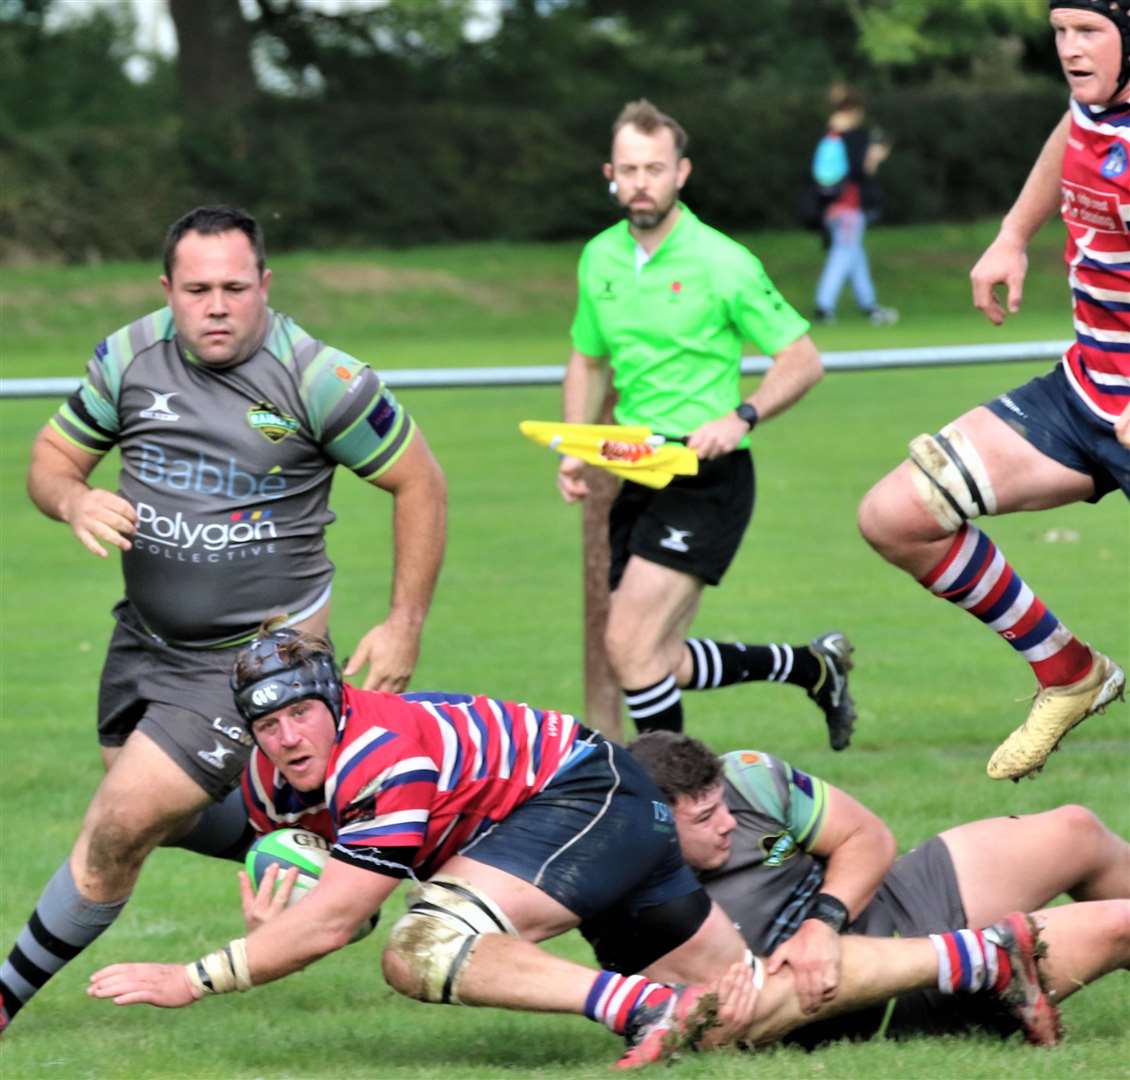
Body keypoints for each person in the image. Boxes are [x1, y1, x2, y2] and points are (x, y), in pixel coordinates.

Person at [88, 625, 1061, 1068]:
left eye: (304, 715)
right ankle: (980, 957)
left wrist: (198, 977)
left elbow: (340, 920)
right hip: (611, 814)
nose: (289, 738)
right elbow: (254, 833)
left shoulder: (384, 759)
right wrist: (238, 855)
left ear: (336, 709)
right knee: (737, 1013)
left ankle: (630, 1006)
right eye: (270, 727)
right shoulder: (291, 768)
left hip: (580, 797)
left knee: (420, 948)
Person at [0, 206, 448, 1033]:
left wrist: (403, 623)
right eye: (198, 289)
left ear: (264, 287)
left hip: (260, 659)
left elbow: (420, 481)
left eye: (235, 288)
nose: (216, 306)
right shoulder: (129, 358)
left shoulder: (320, 379)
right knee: (143, 812)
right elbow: (51, 460)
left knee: (120, 823)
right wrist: (74, 499)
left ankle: (4, 996)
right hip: (145, 637)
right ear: (166, 289)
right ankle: (330, 858)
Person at [857, 1, 1130, 781]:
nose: (1070, 53)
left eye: (1089, 33)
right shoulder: (1100, 102)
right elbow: (1073, 133)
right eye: (1060, 33)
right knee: (900, 514)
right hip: (1086, 395)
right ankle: (1069, 672)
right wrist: (1013, 233)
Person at [559, 98, 856, 749]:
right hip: (635, 469)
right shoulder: (599, 259)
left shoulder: (724, 262)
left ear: (681, 173)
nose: (641, 181)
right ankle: (812, 667)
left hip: (706, 475)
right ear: (610, 172)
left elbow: (802, 361)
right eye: (630, 169)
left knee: (630, 647)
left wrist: (741, 414)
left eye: (655, 168)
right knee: (655, 657)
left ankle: (670, 804)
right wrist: (574, 447)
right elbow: (586, 358)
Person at [628, 730, 1130, 1046]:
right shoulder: (635, 900)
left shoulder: (748, 779)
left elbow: (865, 836)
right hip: (870, 990)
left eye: (722, 804)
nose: (727, 823)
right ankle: (983, 970)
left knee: (1076, 830)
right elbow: (708, 1021)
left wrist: (822, 921)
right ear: (657, 826)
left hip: (889, 900)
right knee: (1120, 926)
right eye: (704, 817)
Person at [811, 86, 898, 327]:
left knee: (856, 256)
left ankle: (869, 306)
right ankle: (824, 306)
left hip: (831, 208)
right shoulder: (855, 137)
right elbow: (860, 173)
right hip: (848, 208)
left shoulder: (830, 136)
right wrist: (874, 159)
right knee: (842, 254)